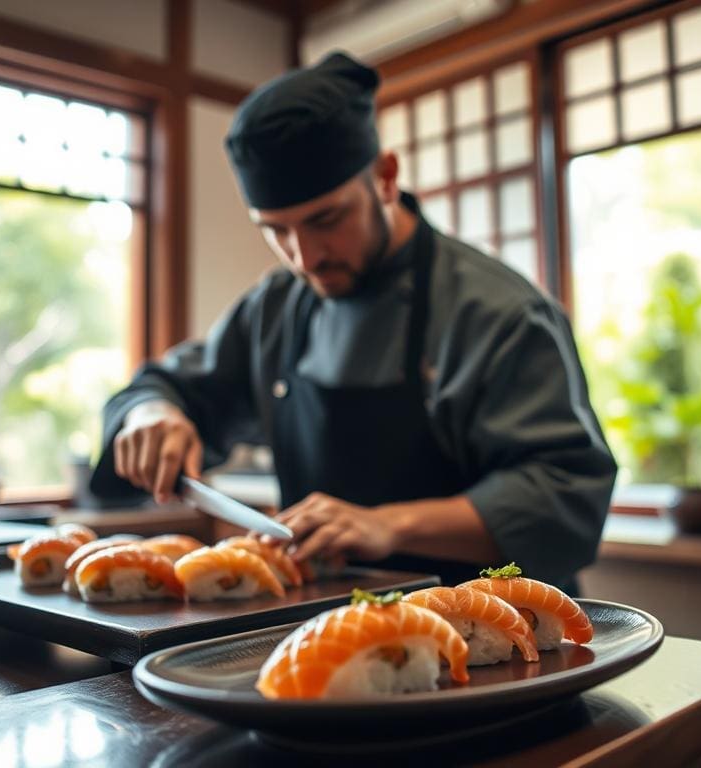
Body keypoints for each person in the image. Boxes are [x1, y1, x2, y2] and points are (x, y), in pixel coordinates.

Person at [90, 52, 617, 589]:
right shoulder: (277, 305)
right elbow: (168, 386)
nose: (305, 256)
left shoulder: (494, 311)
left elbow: (567, 496)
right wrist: (152, 413)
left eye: (327, 219)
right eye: (276, 230)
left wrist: (389, 525)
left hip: (495, 633)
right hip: (328, 627)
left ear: (385, 177)